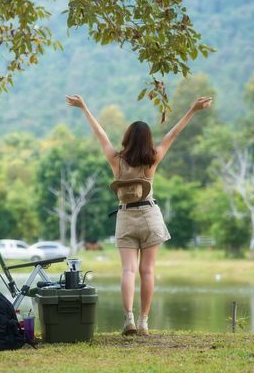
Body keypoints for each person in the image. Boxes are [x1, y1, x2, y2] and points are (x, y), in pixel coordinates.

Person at [66, 94, 212, 335]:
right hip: (149, 215)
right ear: (148, 140)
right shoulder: (152, 159)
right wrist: (192, 110)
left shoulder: (116, 160)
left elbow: (100, 135)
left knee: (128, 271)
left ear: (126, 138)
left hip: (125, 217)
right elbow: (172, 134)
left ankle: (129, 320)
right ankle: (144, 322)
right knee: (148, 271)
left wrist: (84, 108)